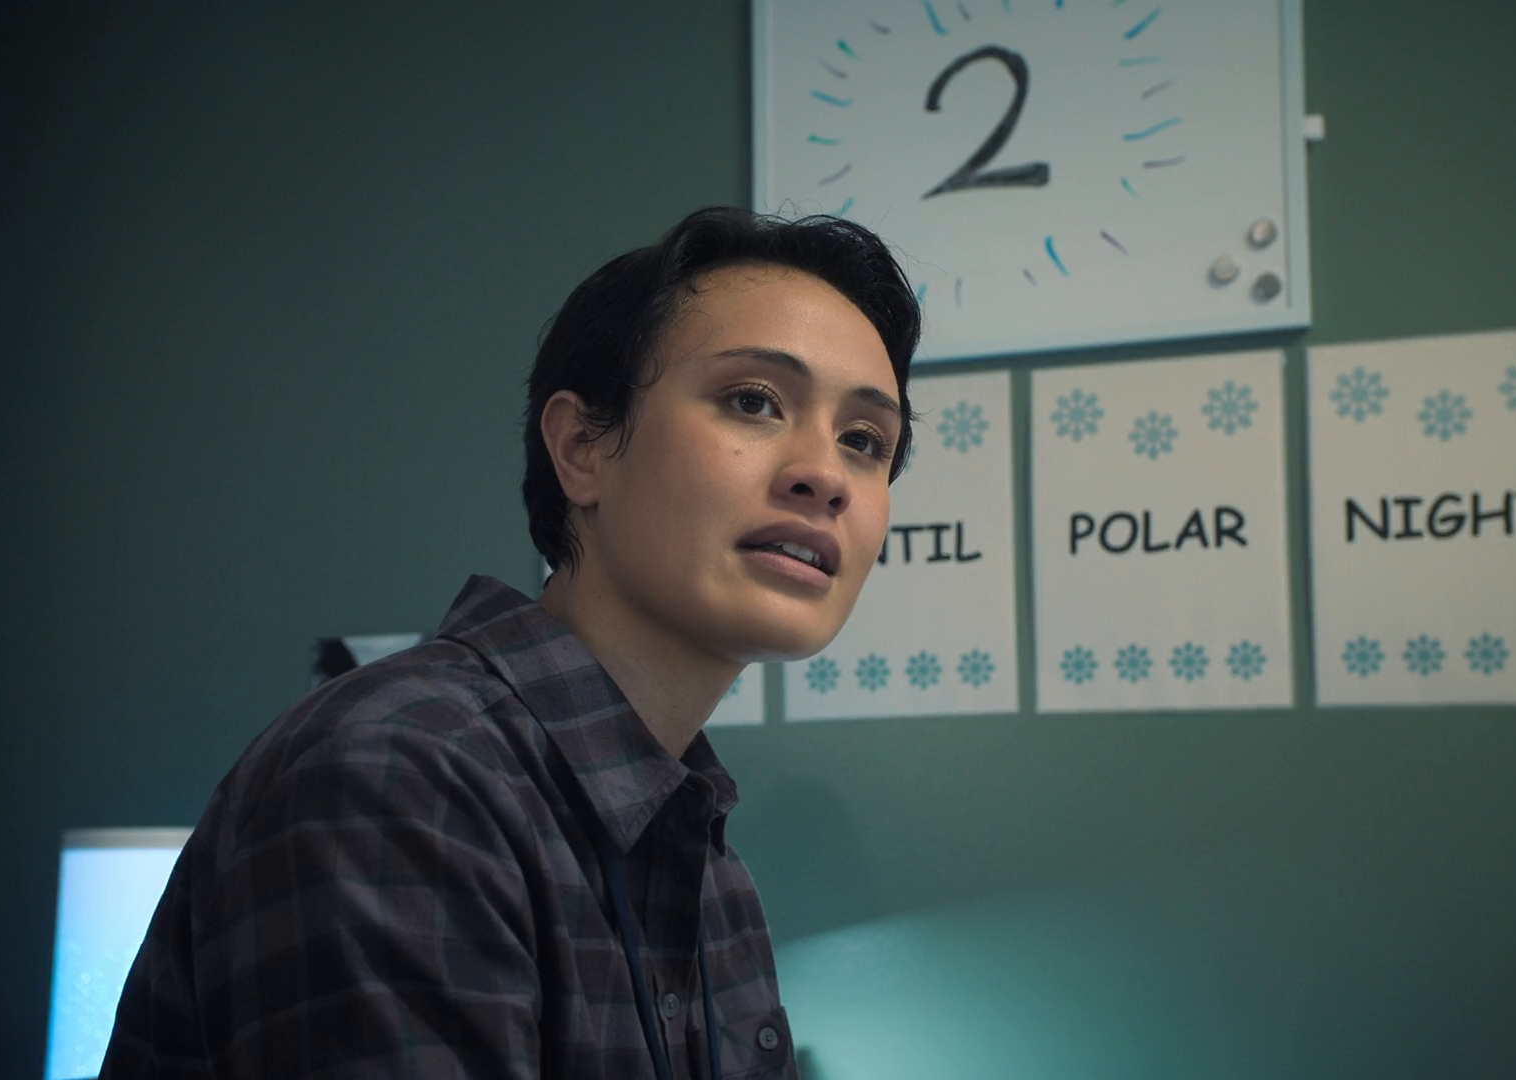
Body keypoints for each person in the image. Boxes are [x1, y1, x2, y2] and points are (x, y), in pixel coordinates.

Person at [101, 207, 920, 1080]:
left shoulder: (701, 861)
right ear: (582, 447)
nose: (825, 475)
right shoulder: (404, 773)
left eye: (865, 442)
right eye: (753, 401)